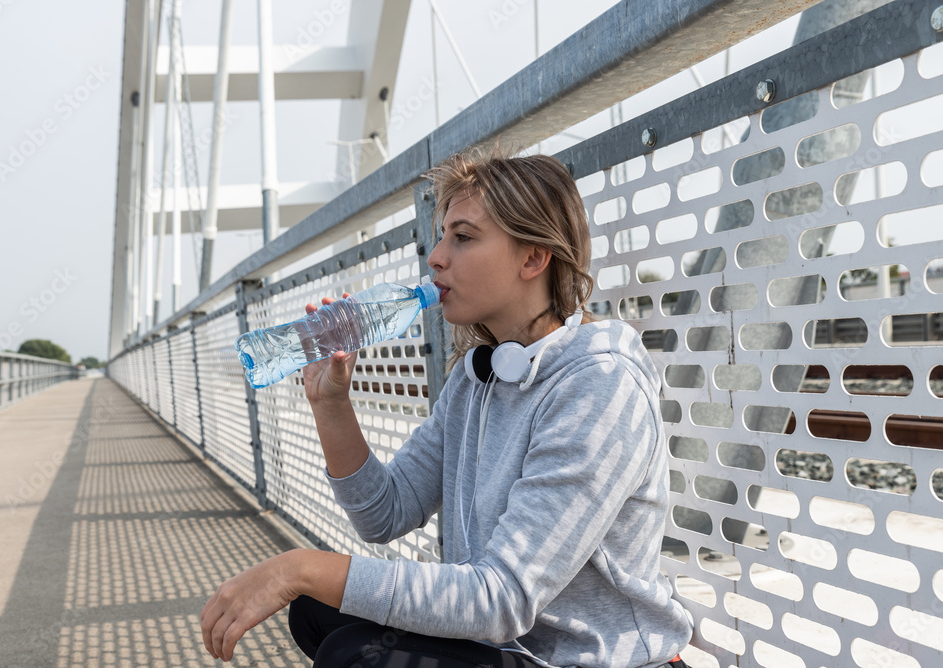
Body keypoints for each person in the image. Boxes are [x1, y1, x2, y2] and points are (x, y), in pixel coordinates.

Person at [200, 149, 692, 668]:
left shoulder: (599, 387)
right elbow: (385, 513)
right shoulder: (478, 377)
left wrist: (299, 566)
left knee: (353, 653)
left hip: (592, 660)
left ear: (532, 257)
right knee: (315, 611)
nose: (435, 257)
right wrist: (331, 405)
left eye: (463, 237)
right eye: (441, 236)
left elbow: (501, 597)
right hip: (506, 644)